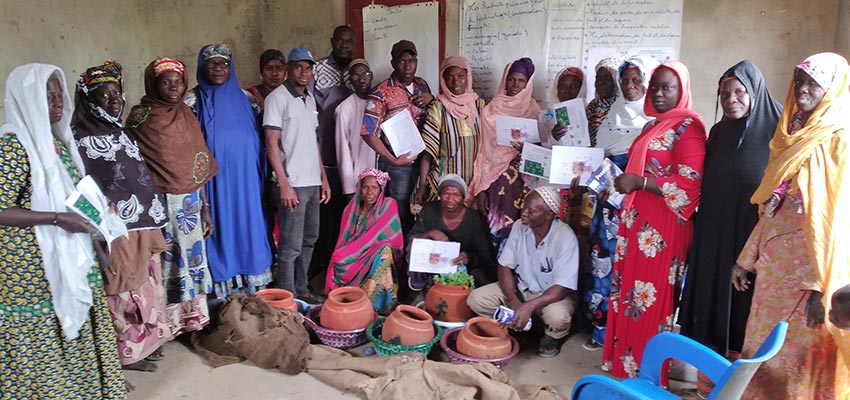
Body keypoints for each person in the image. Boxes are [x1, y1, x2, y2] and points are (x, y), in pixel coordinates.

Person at [0, 63, 125, 398]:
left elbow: (74, 200)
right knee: (44, 332)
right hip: (30, 267)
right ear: (27, 99)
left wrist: (98, 242)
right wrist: (55, 219)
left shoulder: (57, 143)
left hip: (71, 251)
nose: (57, 102)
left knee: (79, 323)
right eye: (48, 96)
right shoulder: (14, 147)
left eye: (59, 95)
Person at [731, 52, 850, 399]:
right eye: (800, 79)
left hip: (809, 274)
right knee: (764, 345)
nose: (803, 88)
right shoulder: (791, 135)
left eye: (814, 81)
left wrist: (817, 286)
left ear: (832, 88)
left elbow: (838, 219)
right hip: (773, 273)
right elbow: (774, 207)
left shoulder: (839, 141)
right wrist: (746, 258)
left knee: (800, 354)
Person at [601, 61, 706, 379]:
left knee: (650, 302)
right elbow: (637, 171)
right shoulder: (653, 126)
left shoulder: (689, 128)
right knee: (631, 298)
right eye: (656, 87)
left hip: (662, 231)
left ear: (682, 91)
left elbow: (692, 184)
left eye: (668, 87)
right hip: (636, 227)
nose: (659, 93)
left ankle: (649, 378)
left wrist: (641, 184)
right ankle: (627, 371)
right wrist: (619, 188)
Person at [71, 60, 172, 371]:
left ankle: (148, 343)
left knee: (146, 282)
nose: (115, 101)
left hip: (142, 222)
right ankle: (126, 355)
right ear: (89, 100)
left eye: (118, 94)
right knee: (123, 288)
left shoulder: (119, 130)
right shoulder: (77, 137)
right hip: (114, 227)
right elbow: (82, 186)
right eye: (105, 96)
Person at [678, 60, 781, 363]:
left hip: (750, 235)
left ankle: (738, 380)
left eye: (740, 92)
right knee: (709, 302)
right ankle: (707, 380)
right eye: (725, 94)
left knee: (742, 305)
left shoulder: (777, 134)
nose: (731, 100)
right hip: (714, 232)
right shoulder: (719, 132)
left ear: (755, 93)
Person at [126, 58, 216, 335]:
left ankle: (193, 319)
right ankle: (167, 324)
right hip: (159, 206)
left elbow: (196, 165)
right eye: (166, 82)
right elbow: (131, 165)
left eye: (178, 82)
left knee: (191, 260)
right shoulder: (141, 117)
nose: (173, 88)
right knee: (165, 262)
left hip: (189, 203)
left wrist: (205, 209)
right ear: (155, 84)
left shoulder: (186, 115)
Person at [581, 55, 659, 352]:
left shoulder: (655, 122)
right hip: (608, 206)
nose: (630, 86)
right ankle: (602, 327)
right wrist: (598, 185)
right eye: (625, 80)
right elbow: (597, 160)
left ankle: (633, 329)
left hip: (642, 207)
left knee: (637, 265)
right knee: (604, 263)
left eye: (637, 80)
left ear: (648, 82)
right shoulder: (609, 118)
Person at [186, 43, 273, 300]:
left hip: (247, 182)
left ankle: (253, 285)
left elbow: (264, 139)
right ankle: (224, 292)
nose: (218, 68)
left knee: (250, 225)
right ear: (203, 67)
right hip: (214, 185)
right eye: (212, 63)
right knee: (221, 228)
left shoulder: (248, 100)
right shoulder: (192, 102)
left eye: (224, 63)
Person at [467, 187, 579, 358]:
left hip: (550, 296)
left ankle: (551, 337)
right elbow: (504, 266)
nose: (524, 213)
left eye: (531, 210)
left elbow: (562, 288)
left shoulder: (565, 237)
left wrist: (529, 306)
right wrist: (514, 302)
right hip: (522, 289)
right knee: (476, 299)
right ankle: (518, 326)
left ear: (548, 215)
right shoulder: (520, 226)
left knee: (557, 317)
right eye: (524, 207)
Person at [263, 47, 331, 303]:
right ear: (288, 69)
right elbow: (271, 143)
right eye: (298, 67)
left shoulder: (309, 98)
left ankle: (302, 290)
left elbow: (313, 142)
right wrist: (284, 184)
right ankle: (287, 297)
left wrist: (323, 178)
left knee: (309, 239)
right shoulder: (277, 98)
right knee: (290, 246)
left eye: (308, 68)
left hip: (312, 182)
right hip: (293, 183)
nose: (304, 72)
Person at [468, 58, 540, 251]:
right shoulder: (490, 110)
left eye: (521, 80)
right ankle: (497, 267)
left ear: (527, 84)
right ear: (505, 81)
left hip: (525, 181)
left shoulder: (534, 111)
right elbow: (482, 151)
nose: (516, 84)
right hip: (494, 178)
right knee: (496, 227)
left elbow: (540, 154)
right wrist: (481, 187)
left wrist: (526, 149)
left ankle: (517, 268)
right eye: (512, 79)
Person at [361, 39, 434, 232]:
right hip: (397, 164)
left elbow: (435, 117)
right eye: (402, 61)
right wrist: (392, 159)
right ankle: (397, 254)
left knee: (423, 206)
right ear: (393, 62)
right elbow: (368, 133)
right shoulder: (380, 92)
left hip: (424, 162)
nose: (408, 65)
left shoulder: (422, 86)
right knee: (399, 210)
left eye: (412, 60)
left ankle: (415, 251)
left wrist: (431, 97)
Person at [313, 26, 357, 282]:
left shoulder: (358, 71)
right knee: (324, 217)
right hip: (325, 156)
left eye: (349, 42)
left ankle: (342, 268)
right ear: (332, 41)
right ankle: (321, 269)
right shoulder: (317, 70)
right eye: (339, 40)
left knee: (346, 214)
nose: (344, 45)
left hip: (351, 158)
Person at [325, 168, 402, 314]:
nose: (369, 192)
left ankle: (379, 305)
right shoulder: (350, 210)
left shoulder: (388, 205)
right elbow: (344, 240)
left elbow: (392, 239)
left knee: (384, 250)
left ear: (381, 190)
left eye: (374, 188)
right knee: (338, 257)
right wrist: (349, 255)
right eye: (365, 187)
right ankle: (355, 300)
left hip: (376, 253)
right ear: (360, 189)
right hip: (354, 254)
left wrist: (363, 250)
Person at [415, 55, 485, 203]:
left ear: (468, 76)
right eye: (450, 77)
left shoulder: (479, 106)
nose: (456, 82)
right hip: (446, 184)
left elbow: (487, 150)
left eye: (460, 76)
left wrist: (483, 187)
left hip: (475, 184)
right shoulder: (438, 108)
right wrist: (421, 186)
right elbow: (428, 152)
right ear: (443, 80)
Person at [409, 174, 494, 291]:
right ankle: (419, 287)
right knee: (412, 248)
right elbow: (411, 240)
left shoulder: (473, 219)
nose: (450, 199)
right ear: (439, 195)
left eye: (456, 195)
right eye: (446, 194)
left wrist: (468, 257)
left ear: (463, 198)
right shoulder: (430, 210)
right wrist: (431, 233)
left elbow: (484, 254)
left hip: (459, 269)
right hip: (431, 265)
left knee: (480, 277)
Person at [336, 59, 377, 198]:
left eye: (365, 73)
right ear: (350, 81)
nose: (361, 79)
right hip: (357, 179)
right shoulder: (344, 109)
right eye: (356, 76)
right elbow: (342, 149)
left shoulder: (379, 102)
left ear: (371, 76)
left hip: (379, 177)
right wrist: (349, 187)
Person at [586, 58, 622, 147]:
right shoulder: (592, 107)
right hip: (589, 157)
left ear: (617, 80)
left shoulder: (624, 108)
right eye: (598, 77)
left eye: (608, 77)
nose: (601, 82)